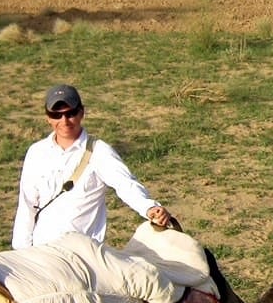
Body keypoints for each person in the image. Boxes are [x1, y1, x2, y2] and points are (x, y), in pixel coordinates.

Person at [11, 84, 173, 249]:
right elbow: (27, 205)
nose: (64, 121)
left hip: (83, 255)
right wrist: (21, 252)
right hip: (42, 252)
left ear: (81, 112)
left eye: (70, 113)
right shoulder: (36, 152)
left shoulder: (99, 151)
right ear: (48, 118)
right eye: (56, 115)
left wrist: (150, 208)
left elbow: (125, 184)